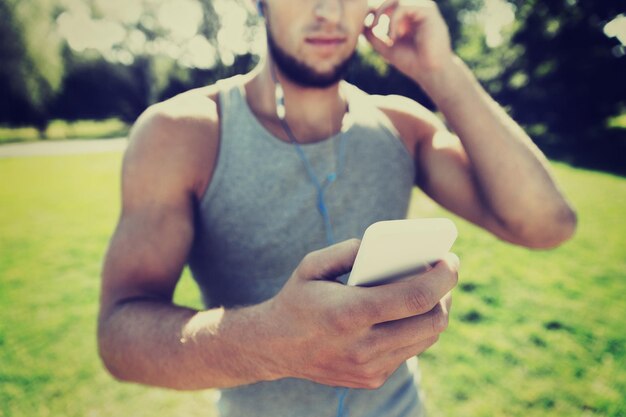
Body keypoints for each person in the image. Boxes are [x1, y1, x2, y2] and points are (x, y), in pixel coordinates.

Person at [97, 0, 577, 416]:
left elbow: (546, 225)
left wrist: (441, 71)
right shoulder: (180, 134)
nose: (328, 11)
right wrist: (273, 344)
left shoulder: (404, 126)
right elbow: (119, 334)